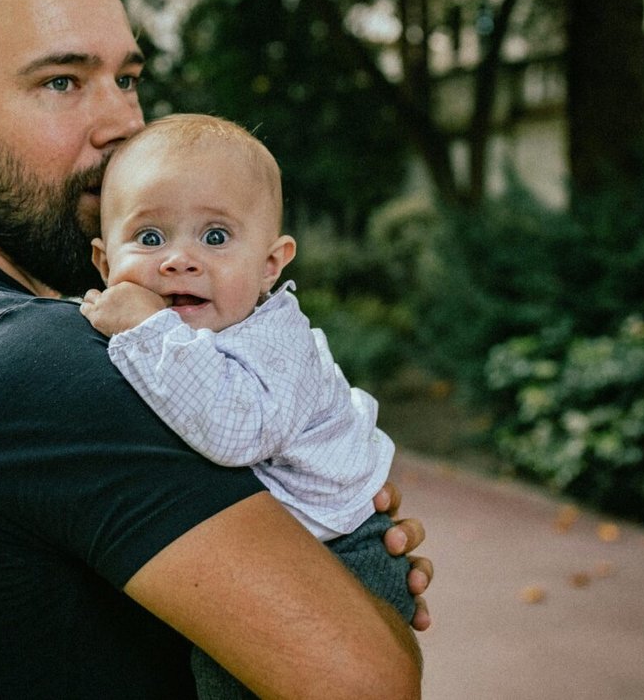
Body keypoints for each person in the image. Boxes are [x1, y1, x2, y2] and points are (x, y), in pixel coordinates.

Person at [0, 0, 431, 699]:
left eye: (127, 78)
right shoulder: (25, 358)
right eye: (62, 82)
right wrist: (350, 580)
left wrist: (317, 518)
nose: (124, 123)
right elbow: (369, 681)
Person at [80, 114, 412, 699]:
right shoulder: (172, 334)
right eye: (150, 238)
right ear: (106, 266)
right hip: (287, 549)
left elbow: (236, 432)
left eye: (215, 237)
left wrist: (148, 329)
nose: (179, 260)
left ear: (270, 265)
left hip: (343, 553)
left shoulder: (275, 340)